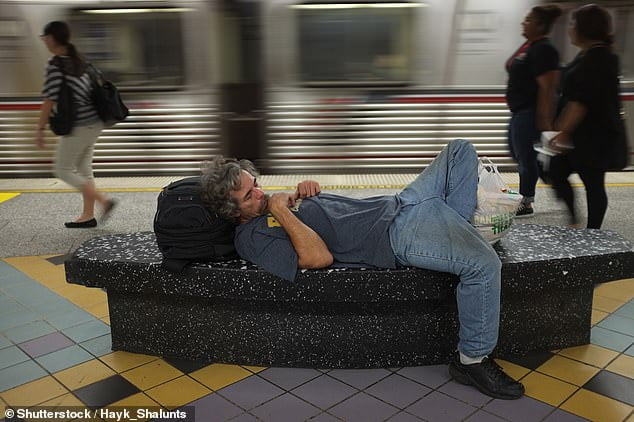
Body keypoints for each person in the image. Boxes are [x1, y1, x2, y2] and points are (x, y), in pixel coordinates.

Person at [201, 139, 525, 400]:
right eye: (249, 195)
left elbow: (308, 213)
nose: (261, 192)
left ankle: (452, 231)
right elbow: (317, 258)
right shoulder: (251, 238)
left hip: (400, 204)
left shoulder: (270, 205)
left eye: (256, 184)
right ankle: (472, 361)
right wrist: (280, 209)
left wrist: (302, 193)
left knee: (460, 150)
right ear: (232, 212)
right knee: (483, 265)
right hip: (395, 237)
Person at [35, 21, 116, 228]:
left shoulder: (56, 65)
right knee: (83, 169)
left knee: (62, 169)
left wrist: (40, 129)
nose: (44, 41)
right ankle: (88, 216)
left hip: (80, 126)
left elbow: (49, 100)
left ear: (52, 38)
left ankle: (104, 201)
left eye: (45, 37)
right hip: (94, 124)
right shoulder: (79, 60)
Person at [549, 4, 622, 229]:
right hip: (584, 134)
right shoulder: (590, 54)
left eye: (573, 23)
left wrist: (563, 131)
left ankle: (592, 231)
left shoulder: (597, 58)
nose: (570, 28)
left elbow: (581, 101)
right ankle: (577, 222)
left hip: (591, 135)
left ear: (584, 28)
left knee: (592, 183)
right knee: (559, 173)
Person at [505, 5, 562, 218]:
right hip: (519, 111)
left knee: (526, 157)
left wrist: (544, 121)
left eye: (528, 20)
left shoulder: (543, 49)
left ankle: (526, 201)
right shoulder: (529, 46)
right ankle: (545, 173)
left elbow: (548, 88)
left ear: (540, 25)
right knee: (518, 151)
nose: (523, 22)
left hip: (529, 112)